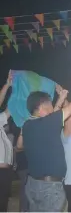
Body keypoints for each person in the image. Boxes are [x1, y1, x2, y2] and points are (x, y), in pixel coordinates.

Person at [18, 70, 71, 212]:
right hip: (49, 188)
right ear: (41, 108)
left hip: (32, 184)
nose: (53, 107)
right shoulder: (48, 122)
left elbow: (19, 145)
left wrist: (62, 98)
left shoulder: (27, 125)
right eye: (49, 105)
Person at [0, 71, 13, 212]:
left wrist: (19, 94)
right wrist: (7, 85)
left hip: (5, 172)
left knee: (3, 205)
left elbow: (10, 110)